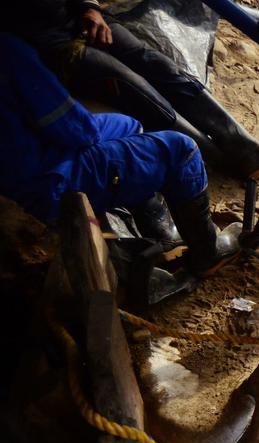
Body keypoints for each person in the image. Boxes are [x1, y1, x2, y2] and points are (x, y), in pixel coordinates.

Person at [0, 33, 237, 291]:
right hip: (48, 181)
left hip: (16, 165)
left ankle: (160, 231)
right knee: (182, 150)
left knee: (128, 125)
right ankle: (207, 253)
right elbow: (76, 130)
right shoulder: (10, 53)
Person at [12, 0, 259, 179]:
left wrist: (91, 8)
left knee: (156, 63)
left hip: (80, 18)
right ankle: (211, 157)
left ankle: (241, 145)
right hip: (50, 48)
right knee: (131, 84)